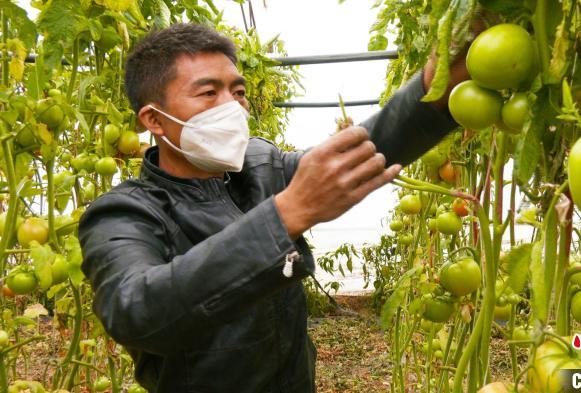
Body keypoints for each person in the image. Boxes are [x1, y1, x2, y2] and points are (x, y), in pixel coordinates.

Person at [78, 23, 467, 392]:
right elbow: (135, 311)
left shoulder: (261, 167)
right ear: (154, 120)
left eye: (238, 91)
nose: (232, 106)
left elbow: (356, 157)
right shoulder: (123, 213)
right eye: (209, 93)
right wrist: (283, 216)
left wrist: (435, 89)